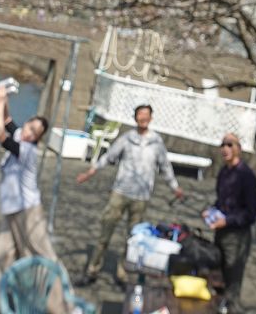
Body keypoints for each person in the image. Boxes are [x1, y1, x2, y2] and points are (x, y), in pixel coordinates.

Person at [76, 103, 184, 286]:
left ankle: (122, 272)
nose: (143, 118)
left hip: (141, 197)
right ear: (135, 118)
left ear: (151, 118)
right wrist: (90, 172)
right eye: (140, 115)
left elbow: (165, 167)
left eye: (146, 115)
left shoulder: (156, 142)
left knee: (133, 238)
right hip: (120, 192)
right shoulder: (127, 138)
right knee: (105, 231)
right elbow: (108, 156)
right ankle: (92, 269)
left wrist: (175, 187)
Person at [0, 82, 62, 314]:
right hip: (11, 211)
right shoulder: (19, 135)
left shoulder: (26, 150)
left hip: (28, 212)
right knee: (1, 259)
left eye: (34, 133)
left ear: (37, 139)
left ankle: (64, 306)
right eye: (29, 126)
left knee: (43, 256)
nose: (28, 132)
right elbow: (6, 121)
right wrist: (3, 97)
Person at [203, 133, 256, 314]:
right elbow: (222, 202)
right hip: (220, 231)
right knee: (217, 279)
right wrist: (210, 211)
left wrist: (227, 220)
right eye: (223, 145)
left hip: (237, 236)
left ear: (238, 149)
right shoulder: (223, 172)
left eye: (230, 145)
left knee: (232, 286)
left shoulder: (247, 176)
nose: (225, 149)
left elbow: (251, 214)